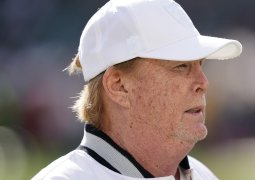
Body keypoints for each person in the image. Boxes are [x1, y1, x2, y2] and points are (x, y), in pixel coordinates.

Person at [32, 0, 242, 179]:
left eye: (200, 64)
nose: (203, 83)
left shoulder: (203, 175)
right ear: (119, 86)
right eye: (181, 66)